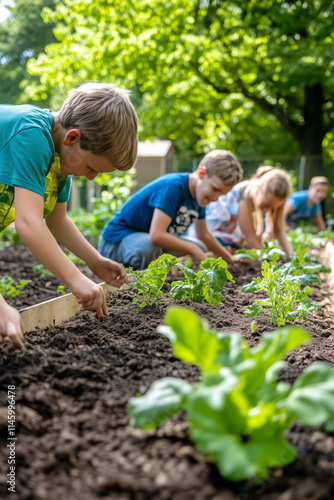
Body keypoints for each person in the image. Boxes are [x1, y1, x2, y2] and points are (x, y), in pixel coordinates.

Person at [0, 82, 138, 349]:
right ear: (73, 138)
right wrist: (75, 279)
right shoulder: (31, 136)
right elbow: (28, 223)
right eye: (90, 167)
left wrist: (94, 261)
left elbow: (57, 220)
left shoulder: (60, 157)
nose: (90, 176)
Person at [98, 150, 243, 270]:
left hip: (146, 239)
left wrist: (230, 259)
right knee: (151, 248)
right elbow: (157, 235)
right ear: (202, 173)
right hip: (116, 242)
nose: (215, 198)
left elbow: (204, 235)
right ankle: (134, 278)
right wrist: (193, 251)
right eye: (215, 189)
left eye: (221, 194)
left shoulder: (200, 196)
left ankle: (155, 271)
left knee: (200, 245)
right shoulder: (174, 187)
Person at [204, 166, 293, 256]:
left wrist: (292, 257)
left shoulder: (264, 197)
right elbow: (250, 238)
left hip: (229, 238)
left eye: (273, 208)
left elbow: (279, 231)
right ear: (258, 188)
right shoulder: (243, 194)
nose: (267, 210)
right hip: (212, 234)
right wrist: (265, 262)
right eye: (266, 204)